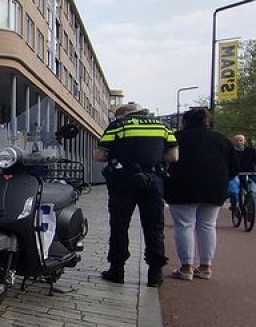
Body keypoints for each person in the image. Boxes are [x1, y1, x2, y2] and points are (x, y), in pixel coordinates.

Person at [95, 103, 178, 287]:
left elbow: (100, 155)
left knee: (119, 225)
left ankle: (117, 270)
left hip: (124, 181)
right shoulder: (162, 126)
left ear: (124, 114)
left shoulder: (119, 126)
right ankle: (155, 274)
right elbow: (173, 156)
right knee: (155, 227)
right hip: (154, 181)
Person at [165, 108, 236, 281]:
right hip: (214, 188)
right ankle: (205, 267)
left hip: (182, 188)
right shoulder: (221, 139)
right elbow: (234, 167)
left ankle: (186, 267)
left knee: (184, 226)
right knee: (208, 226)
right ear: (206, 121)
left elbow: (166, 161)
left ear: (185, 121)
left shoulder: (177, 138)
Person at [229, 134, 256, 210]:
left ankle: (249, 207)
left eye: (241, 140)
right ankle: (234, 205)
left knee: (251, 190)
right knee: (234, 188)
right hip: (235, 173)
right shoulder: (231, 151)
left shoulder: (251, 151)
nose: (239, 142)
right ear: (233, 142)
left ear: (244, 141)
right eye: (236, 140)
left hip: (249, 172)